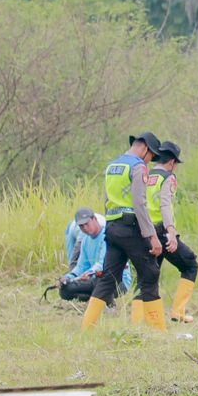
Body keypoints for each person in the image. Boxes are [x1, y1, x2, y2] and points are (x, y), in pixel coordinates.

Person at [82, 132, 166, 332]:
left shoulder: (112, 166)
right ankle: (157, 328)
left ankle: (87, 328)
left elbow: (107, 200)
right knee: (150, 273)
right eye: (151, 156)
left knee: (108, 278)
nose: (150, 161)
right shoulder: (138, 167)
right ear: (145, 149)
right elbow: (140, 203)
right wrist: (152, 236)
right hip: (131, 228)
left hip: (112, 227)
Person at [147, 141, 198, 323]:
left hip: (145, 231)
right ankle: (178, 312)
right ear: (171, 162)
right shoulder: (168, 178)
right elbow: (165, 205)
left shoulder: (146, 175)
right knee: (190, 264)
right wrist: (171, 231)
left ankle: (142, 318)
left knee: (149, 275)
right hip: (161, 230)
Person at [59, 208, 128, 303]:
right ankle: (95, 297)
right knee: (65, 290)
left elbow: (102, 265)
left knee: (99, 282)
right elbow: (81, 266)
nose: (85, 228)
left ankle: (95, 297)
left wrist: (88, 274)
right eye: (81, 226)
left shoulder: (108, 235)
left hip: (116, 281)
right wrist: (69, 277)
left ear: (94, 219)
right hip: (94, 279)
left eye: (87, 224)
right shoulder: (85, 240)